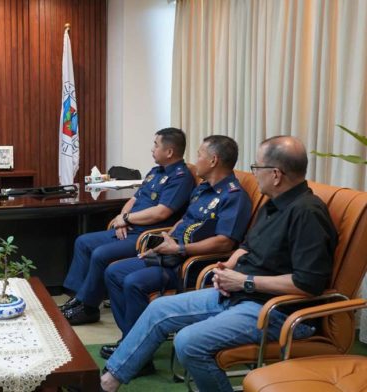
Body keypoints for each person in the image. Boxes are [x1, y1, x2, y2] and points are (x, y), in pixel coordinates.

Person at [100, 136, 338, 392]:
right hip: (240, 293)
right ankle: (108, 382)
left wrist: (244, 281)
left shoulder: (307, 214)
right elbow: (248, 245)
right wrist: (227, 268)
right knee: (159, 309)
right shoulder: (274, 204)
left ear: (276, 175)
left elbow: (308, 284)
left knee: (188, 342)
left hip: (276, 311)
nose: (254, 175)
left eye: (257, 168)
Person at [100, 135, 252, 365]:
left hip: (192, 263)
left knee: (133, 282)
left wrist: (180, 248)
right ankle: (130, 342)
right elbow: (184, 221)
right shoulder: (203, 189)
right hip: (170, 253)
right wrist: (164, 242)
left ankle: (138, 356)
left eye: (200, 155)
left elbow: (224, 243)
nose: (195, 160)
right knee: (114, 272)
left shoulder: (234, 196)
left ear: (213, 160)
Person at [61, 128, 196, 325]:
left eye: (156, 145)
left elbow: (161, 212)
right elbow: (134, 199)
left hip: (146, 236)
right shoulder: (155, 172)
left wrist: (128, 219)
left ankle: (88, 308)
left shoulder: (181, 178)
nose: (152, 149)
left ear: (169, 152)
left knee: (100, 254)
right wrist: (121, 218)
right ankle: (79, 298)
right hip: (130, 227)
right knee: (83, 242)